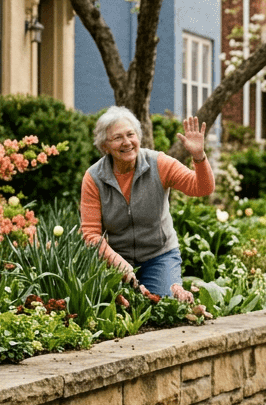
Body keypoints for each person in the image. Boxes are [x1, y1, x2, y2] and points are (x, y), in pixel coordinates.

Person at [80, 108, 212, 302]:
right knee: (117, 309)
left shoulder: (158, 164)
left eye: (130, 134)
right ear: (105, 146)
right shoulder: (94, 178)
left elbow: (202, 188)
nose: (126, 142)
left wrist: (199, 157)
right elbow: (91, 235)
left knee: (163, 307)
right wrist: (118, 264)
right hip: (115, 257)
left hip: (159, 256)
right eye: (117, 138)